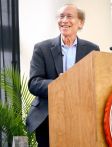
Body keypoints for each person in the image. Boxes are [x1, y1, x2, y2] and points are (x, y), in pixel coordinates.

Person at [26, 4, 100, 147]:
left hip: (82, 118)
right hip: (47, 117)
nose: (64, 20)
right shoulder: (42, 48)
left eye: (69, 16)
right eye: (61, 16)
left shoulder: (92, 49)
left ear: (80, 23)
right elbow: (34, 83)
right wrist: (58, 84)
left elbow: (96, 82)